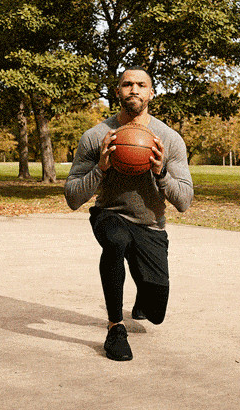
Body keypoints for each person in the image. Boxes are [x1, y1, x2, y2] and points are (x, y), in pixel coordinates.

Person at [64, 66, 193, 361]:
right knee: (115, 240)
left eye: (141, 85)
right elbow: (72, 197)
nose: (133, 89)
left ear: (151, 93)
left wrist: (161, 174)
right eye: (127, 84)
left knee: (155, 312)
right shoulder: (96, 136)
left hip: (151, 225)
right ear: (118, 91)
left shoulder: (169, 139)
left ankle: (142, 293)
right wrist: (101, 168)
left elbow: (185, 200)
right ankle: (115, 329)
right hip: (110, 214)